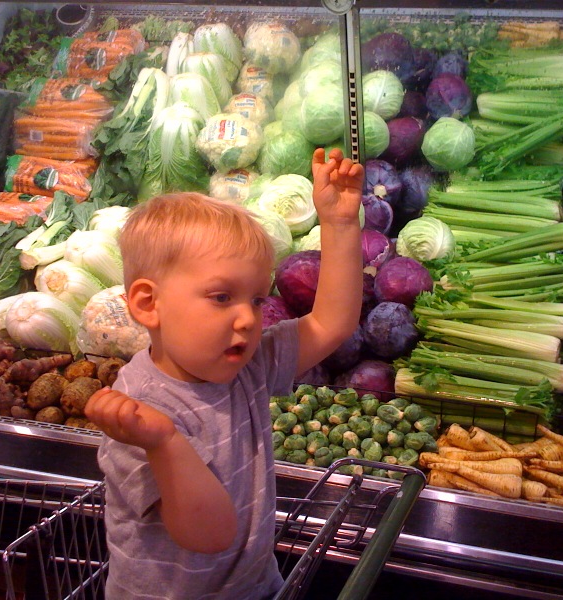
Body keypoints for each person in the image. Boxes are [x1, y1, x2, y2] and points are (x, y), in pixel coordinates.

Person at [85, 147, 364, 600]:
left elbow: (332, 323)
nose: (249, 318)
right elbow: (208, 535)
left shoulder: (248, 365)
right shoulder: (139, 415)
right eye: (221, 298)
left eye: (256, 299)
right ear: (149, 304)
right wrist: (165, 442)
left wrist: (340, 223)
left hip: (253, 585)